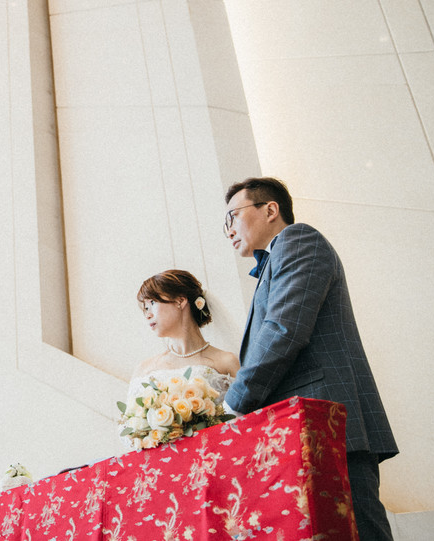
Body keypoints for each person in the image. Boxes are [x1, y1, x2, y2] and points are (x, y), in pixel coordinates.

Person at [222, 176, 398, 541]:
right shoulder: (273, 261)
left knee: (360, 531)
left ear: (270, 209)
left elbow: (283, 330)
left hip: (327, 422)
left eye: (233, 216)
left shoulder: (298, 240)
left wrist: (234, 402)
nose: (229, 230)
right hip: (302, 430)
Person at [129, 269, 240, 407]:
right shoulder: (144, 370)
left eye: (152, 303)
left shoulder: (227, 362)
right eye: (145, 308)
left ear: (180, 301)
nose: (148, 315)